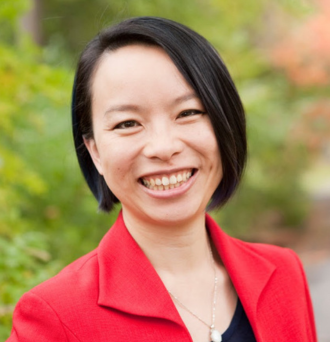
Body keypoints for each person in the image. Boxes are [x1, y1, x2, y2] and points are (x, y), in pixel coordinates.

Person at [7, 17, 316, 342]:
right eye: (127, 123)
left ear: (226, 123)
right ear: (94, 151)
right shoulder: (54, 317)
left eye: (188, 113)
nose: (164, 147)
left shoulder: (283, 274)